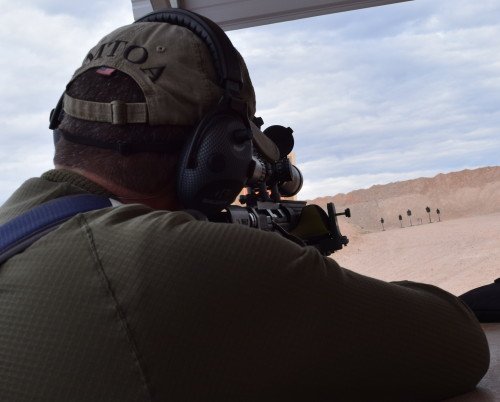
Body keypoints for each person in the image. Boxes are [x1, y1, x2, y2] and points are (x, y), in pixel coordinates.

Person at [0, 9, 489, 402]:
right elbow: (457, 345)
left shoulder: (19, 228)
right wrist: (293, 266)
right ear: (213, 152)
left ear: (65, 126)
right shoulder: (186, 262)